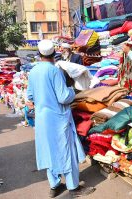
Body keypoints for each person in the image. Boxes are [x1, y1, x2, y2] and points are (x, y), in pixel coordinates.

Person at [26, 40, 95, 198]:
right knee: (66, 152)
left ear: (40, 54)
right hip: (58, 118)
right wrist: (71, 89)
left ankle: (54, 185)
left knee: (49, 151)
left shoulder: (34, 71)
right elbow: (64, 97)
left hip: (42, 119)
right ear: (53, 54)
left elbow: (30, 96)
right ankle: (73, 187)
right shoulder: (54, 71)